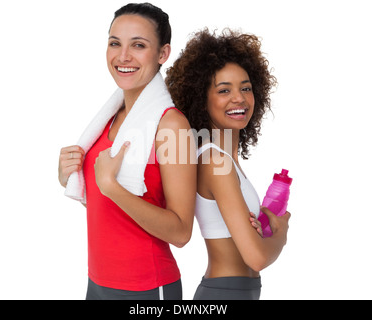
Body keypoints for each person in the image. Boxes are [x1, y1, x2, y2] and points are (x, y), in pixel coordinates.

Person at [58, 3, 196, 300]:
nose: (123, 56)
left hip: (147, 287)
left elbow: (182, 232)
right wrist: (69, 176)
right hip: (97, 282)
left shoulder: (171, 125)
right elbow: (111, 210)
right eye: (114, 43)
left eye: (138, 45)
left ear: (162, 54)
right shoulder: (110, 116)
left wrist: (111, 186)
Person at [166, 28, 291, 300]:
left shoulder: (226, 159)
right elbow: (256, 257)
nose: (239, 98)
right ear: (202, 99)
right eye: (224, 90)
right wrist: (280, 237)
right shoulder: (214, 160)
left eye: (245, 87)